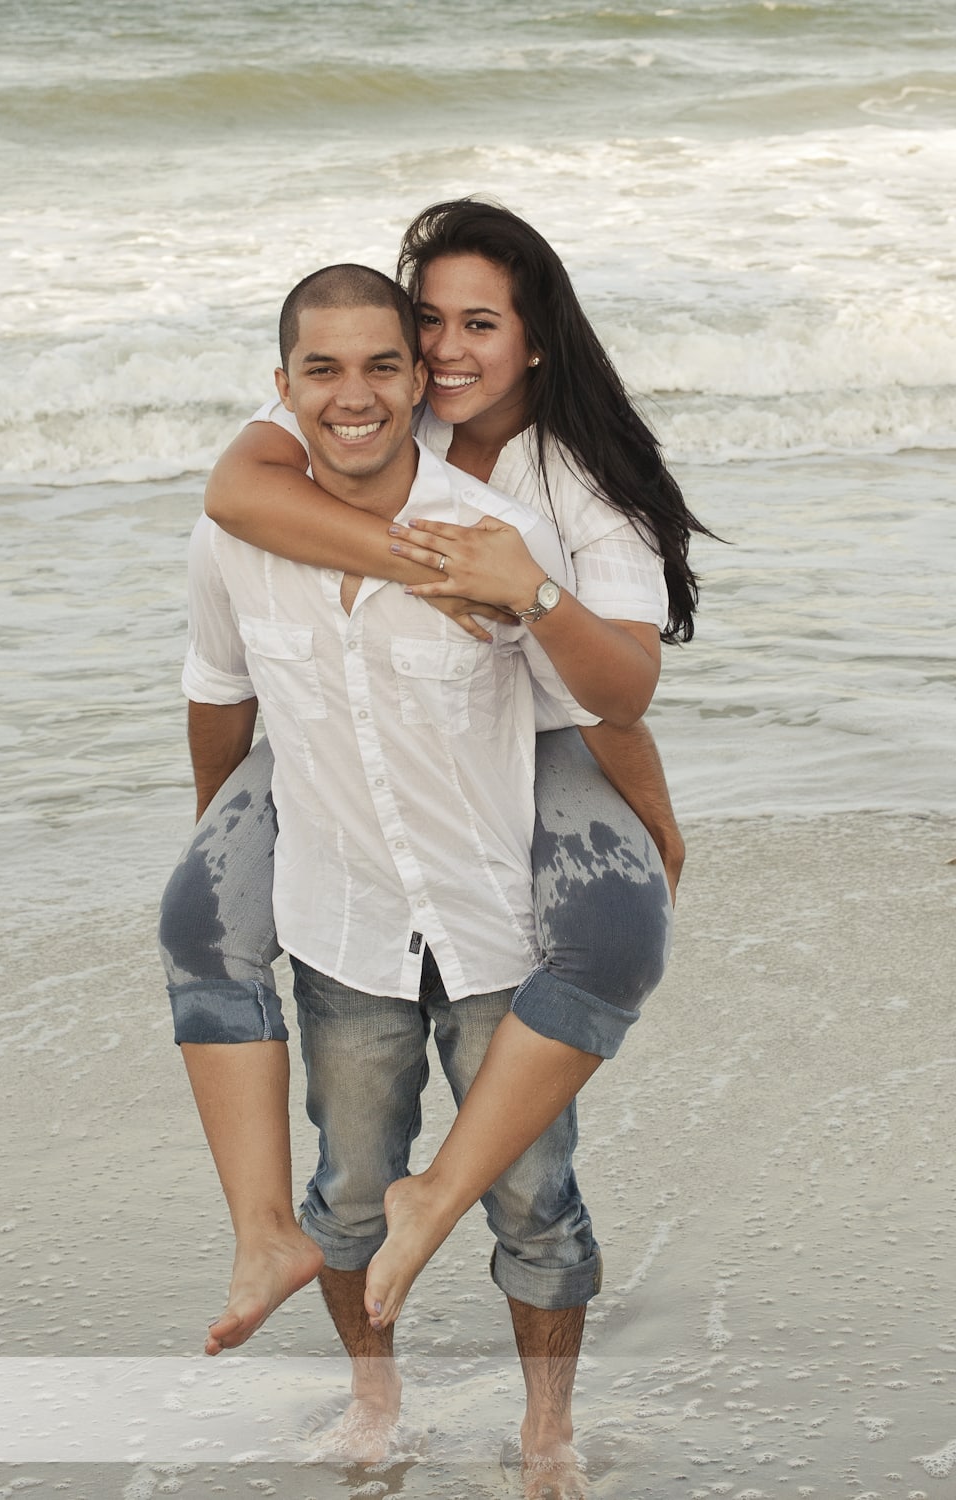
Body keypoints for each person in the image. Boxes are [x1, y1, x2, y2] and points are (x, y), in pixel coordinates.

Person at [164, 199, 714, 1353]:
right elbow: (232, 500)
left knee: (615, 932)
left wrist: (520, 590)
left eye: (480, 326)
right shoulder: (344, 407)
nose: (451, 350)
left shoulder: (569, 484)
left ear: (532, 342)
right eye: (433, 323)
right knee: (197, 914)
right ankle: (268, 1231)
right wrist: (423, 560)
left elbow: (611, 697)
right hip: (346, 717)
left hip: (550, 717)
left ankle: (456, 1206)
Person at [183, 264, 629, 1492]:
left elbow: (589, 711)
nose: (353, 395)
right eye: (320, 370)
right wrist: (228, 856)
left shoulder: (491, 540)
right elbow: (217, 694)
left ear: (415, 377)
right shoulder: (231, 535)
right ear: (282, 387)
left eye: (381, 364)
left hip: (496, 935)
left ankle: (546, 1430)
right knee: (348, 1190)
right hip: (339, 929)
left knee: (535, 1200)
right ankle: (373, 1395)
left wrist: (651, 842)